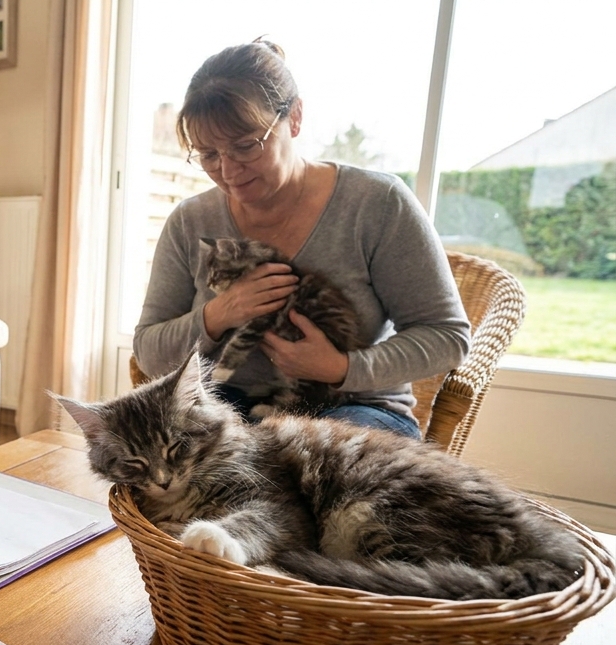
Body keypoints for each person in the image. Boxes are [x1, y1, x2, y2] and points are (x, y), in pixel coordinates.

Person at [132, 39, 471, 438]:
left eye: (245, 146)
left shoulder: (376, 204)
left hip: (356, 407)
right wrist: (220, 314)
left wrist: (341, 368)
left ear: (294, 118)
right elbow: (149, 351)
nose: (227, 170)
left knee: (310, 478)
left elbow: (447, 336)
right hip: (226, 406)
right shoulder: (190, 221)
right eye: (207, 154)